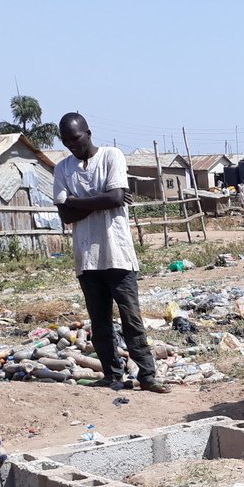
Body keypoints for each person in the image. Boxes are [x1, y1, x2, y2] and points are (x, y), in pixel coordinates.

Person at [53, 113, 168, 393]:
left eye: (76, 139)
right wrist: (101, 200)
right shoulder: (62, 168)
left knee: (131, 319)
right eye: (66, 141)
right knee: (100, 322)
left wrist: (78, 202)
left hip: (117, 253)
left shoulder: (111, 156)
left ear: (88, 133)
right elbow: (66, 214)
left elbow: (116, 198)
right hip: (86, 257)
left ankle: (147, 375)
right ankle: (111, 374)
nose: (72, 145)